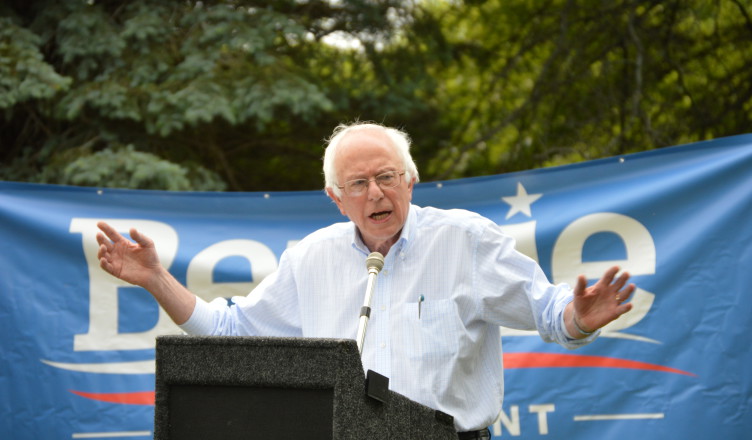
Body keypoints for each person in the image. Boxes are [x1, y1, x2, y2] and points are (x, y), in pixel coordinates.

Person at [96, 121, 634, 439]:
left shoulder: (465, 240)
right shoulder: (311, 258)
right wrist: (156, 279)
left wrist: (577, 318)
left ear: (411, 180)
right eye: (359, 183)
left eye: (387, 177)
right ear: (336, 198)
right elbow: (231, 330)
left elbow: (547, 311)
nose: (376, 193)